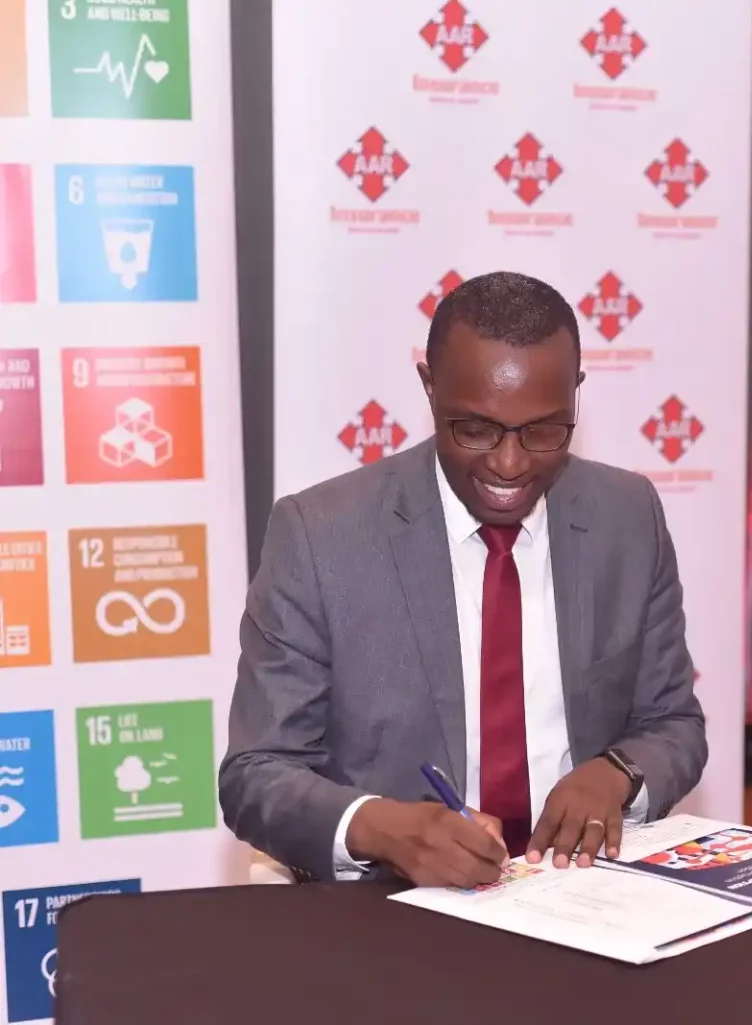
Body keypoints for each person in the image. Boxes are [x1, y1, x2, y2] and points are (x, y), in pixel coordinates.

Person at [220, 271, 707, 888]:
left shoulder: (627, 515)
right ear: (429, 388)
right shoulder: (320, 537)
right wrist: (383, 829)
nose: (509, 464)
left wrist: (616, 772)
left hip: (583, 895)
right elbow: (255, 772)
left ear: (577, 395)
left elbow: (675, 724)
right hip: (395, 912)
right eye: (474, 428)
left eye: (544, 431)